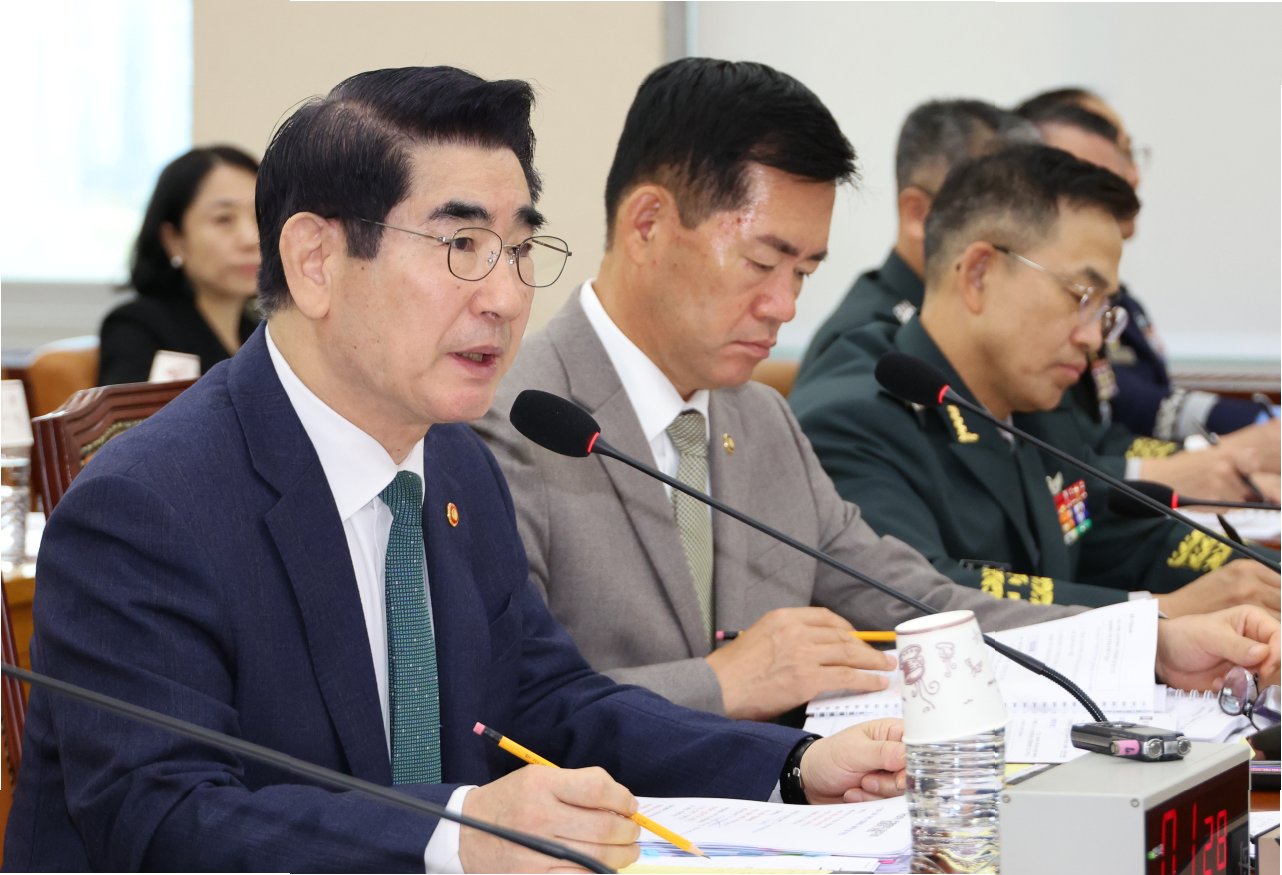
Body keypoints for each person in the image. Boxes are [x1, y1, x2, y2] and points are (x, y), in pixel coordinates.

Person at [5, 67, 915, 874]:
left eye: (517, 249)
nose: (509, 296)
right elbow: (163, 819)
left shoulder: (452, 465)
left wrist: (792, 766)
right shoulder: (145, 507)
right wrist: (458, 834)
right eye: (462, 245)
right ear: (315, 262)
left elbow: (547, 701)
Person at [473, 59, 1280, 728]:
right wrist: (718, 683)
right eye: (763, 263)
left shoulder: (762, 420)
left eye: (804, 272)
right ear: (648, 224)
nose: (786, 306)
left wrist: (1150, 643)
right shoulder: (509, 423)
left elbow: (917, 600)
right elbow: (499, 712)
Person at [789, 144, 1280, 622]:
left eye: (1104, 311)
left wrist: (1256, 574)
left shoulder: (1035, 401)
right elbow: (922, 601)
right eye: (1079, 296)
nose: (1093, 338)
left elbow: (1108, 537)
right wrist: (1155, 615)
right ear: (979, 273)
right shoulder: (854, 419)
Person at [796, 98, 1265, 502]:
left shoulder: (1022, 359)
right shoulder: (869, 358)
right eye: (987, 192)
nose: (1090, 336)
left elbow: (1085, 496)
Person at [1016, 89, 1280, 495]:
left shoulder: (1119, 302)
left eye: (1128, 153)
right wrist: (1234, 448)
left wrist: (1214, 464)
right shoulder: (1035, 314)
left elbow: (1108, 438)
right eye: (1105, 165)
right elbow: (1123, 417)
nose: (1132, 177)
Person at [98, 145, 262, 386]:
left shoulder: (264, 334)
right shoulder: (138, 328)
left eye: (260, 217)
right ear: (174, 240)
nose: (251, 239)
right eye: (223, 219)